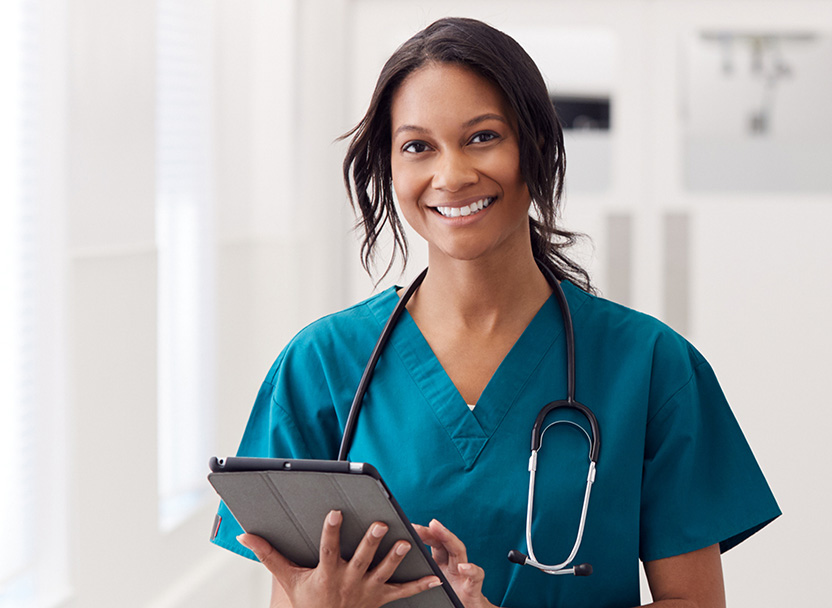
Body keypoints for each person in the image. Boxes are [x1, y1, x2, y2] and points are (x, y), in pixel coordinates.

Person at [211, 17, 780, 608]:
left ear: (535, 147)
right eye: (417, 147)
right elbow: (291, 594)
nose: (452, 175)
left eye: (482, 137)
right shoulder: (321, 368)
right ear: (390, 168)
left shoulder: (653, 367)